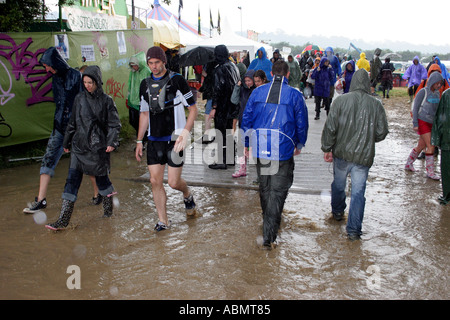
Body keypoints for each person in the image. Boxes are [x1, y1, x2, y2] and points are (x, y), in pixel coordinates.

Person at [241, 60, 309, 248]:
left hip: (261, 146)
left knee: (265, 187)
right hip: (283, 148)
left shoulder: (257, 92)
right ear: (288, 75)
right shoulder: (295, 95)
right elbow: (302, 123)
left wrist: (247, 144)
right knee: (277, 191)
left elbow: (246, 120)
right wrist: (299, 144)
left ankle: (268, 224)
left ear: (271, 73)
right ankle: (269, 236)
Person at [45, 65, 121, 231]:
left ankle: (108, 212)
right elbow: (72, 122)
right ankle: (63, 221)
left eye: (90, 82)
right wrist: (66, 142)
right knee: (71, 181)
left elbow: (115, 124)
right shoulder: (79, 99)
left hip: (98, 149)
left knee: (102, 181)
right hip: (79, 148)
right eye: (85, 82)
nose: (87, 85)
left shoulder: (107, 101)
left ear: (97, 82)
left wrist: (111, 142)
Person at [135, 46, 198, 231]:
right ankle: (163, 221)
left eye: (157, 62)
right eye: (150, 63)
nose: (154, 67)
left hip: (175, 138)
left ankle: (187, 193)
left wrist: (186, 133)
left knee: (173, 182)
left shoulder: (177, 81)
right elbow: (144, 114)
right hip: (154, 139)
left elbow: (193, 109)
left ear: (164, 62)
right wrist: (139, 141)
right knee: (155, 181)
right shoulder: (144, 84)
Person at [321, 69, 389, 240]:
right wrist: (369, 139)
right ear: (368, 84)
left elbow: (330, 127)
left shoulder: (340, 101)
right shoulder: (376, 105)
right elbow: (382, 132)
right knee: (358, 193)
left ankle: (337, 213)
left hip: (342, 154)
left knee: (338, 184)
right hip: (363, 157)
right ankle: (353, 231)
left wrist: (327, 148)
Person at [23, 47, 82, 214]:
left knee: (86, 161)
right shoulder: (55, 79)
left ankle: (100, 194)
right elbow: (59, 103)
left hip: (76, 128)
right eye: (44, 66)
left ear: (55, 62)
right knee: (48, 159)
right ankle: (40, 200)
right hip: (59, 127)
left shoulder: (75, 76)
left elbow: (81, 102)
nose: (46, 69)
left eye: (47, 65)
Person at [405, 72, 443, 180]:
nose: (439, 86)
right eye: (437, 83)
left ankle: (409, 164)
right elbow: (415, 107)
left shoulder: (437, 93)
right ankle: (430, 172)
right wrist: (415, 123)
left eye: (440, 84)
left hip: (432, 123)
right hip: (423, 122)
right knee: (431, 146)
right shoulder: (423, 92)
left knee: (421, 146)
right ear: (432, 82)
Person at [208, 44, 240, 170]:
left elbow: (217, 88)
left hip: (222, 106)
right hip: (232, 105)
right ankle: (231, 159)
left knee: (220, 132)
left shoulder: (220, 69)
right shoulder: (234, 66)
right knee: (229, 132)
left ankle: (222, 160)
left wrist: (214, 106)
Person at [231, 69, 256, 178]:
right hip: (243, 121)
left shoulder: (257, 90)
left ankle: (259, 172)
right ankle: (242, 168)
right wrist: (237, 86)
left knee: (254, 146)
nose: (247, 83)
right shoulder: (242, 89)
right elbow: (234, 100)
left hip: (254, 122)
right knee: (242, 145)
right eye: (245, 81)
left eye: (249, 80)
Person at [127, 51, 151, 141]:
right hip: (132, 101)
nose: (133, 67)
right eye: (132, 65)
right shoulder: (133, 72)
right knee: (133, 121)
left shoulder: (147, 71)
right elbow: (129, 84)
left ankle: (142, 139)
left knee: (140, 122)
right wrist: (127, 98)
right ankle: (142, 136)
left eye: (135, 65)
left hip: (142, 101)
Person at [431, 88, 450, 205]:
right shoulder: (446, 95)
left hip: (447, 140)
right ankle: (447, 195)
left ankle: (447, 195)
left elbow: (439, 118)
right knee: (446, 168)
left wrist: (437, 139)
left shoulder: (446, 94)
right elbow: (439, 118)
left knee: (447, 169)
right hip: (447, 139)